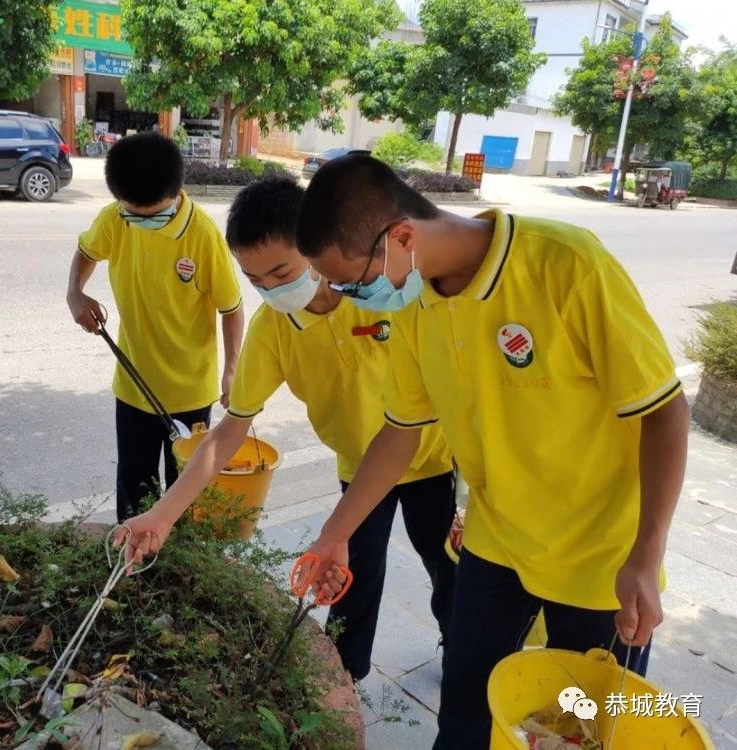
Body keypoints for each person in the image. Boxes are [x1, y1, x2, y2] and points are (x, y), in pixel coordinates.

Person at [293, 155, 690, 748]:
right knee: (463, 719)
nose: (350, 299)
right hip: (496, 540)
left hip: (600, 558)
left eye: (352, 283)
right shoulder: (415, 304)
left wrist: (646, 552)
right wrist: (335, 532)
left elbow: (664, 411)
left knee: (577, 730)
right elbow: (401, 431)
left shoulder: (565, 264)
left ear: (401, 237)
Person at [116, 177, 456, 681]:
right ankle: (346, 677)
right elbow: (228, 433)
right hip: (359, 469)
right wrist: (162, 515)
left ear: (316, 246)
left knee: (447, 563)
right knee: (349, 576)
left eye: (281, 271)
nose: (271, 290)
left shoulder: (380, 293)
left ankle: (460, 642)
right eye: (256, 281)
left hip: (430, 457)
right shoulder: (273, 329)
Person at [66, 133, 245, 521]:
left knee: (186, 501)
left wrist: (232, 371)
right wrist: (75, 294)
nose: (144, 222)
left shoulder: (202, 235)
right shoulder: (115, 219)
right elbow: (86, 251)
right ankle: (134, 574)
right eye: (135, 214)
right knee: (134, 495)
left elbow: (231, 308)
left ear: (177, 192)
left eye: (155, 214)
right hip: (133, 388)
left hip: (191, 393)